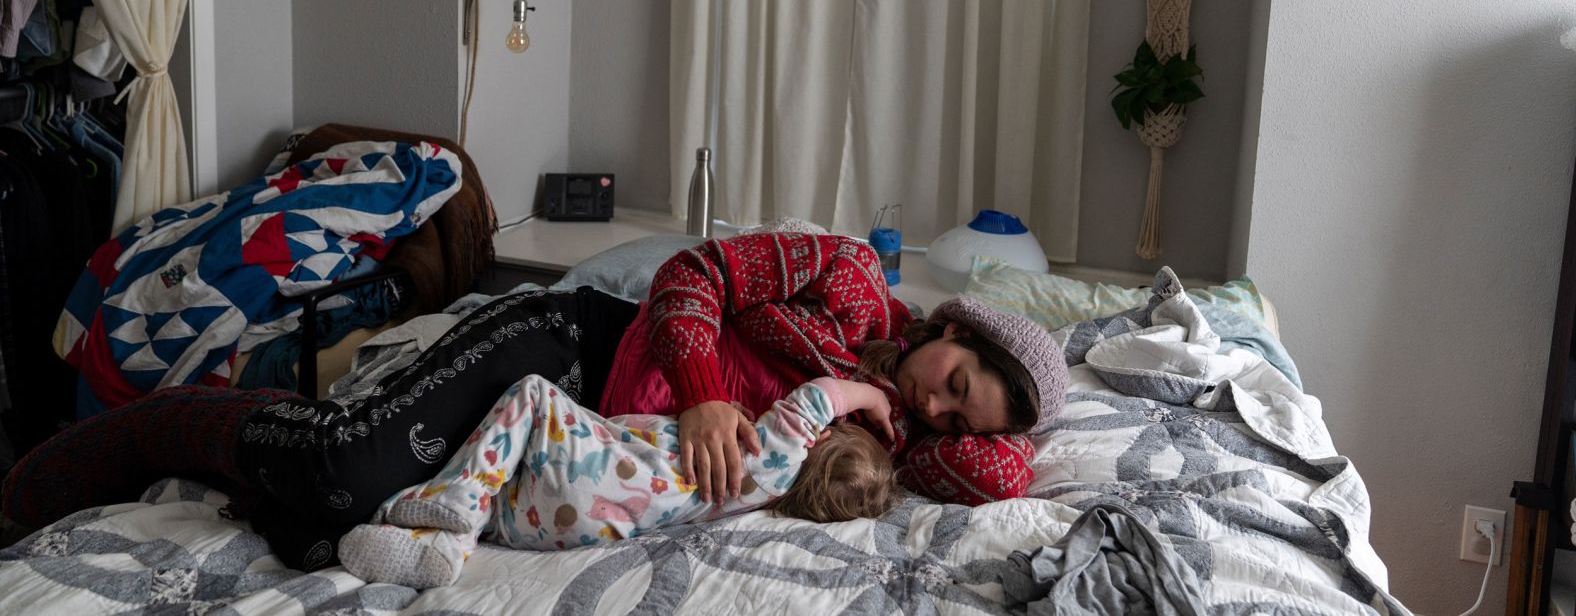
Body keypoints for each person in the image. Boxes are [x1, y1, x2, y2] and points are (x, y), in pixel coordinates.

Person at [4, 232, 1067, 570]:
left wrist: (1010, 422)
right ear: (950, 326)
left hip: (575, 452)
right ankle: (142, 427)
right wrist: (701, 393)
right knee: (347, 468)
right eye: (958, 383)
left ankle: (224, 479)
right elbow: (693, 274)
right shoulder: (842, 277)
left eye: (958, 420)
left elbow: (989, 472)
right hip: (566, 353)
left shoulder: (882, 431)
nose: (940, 413)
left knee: (334, 520)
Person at [337, 373, 899, 588]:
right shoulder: (767, 500)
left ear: (821, 439)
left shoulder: (777, 455)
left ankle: (453, 512)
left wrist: (872, 397)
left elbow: (821, 396)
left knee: (532, 394)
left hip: (591, 468)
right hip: (572, 527)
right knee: (505, 486)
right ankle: (445, 547)